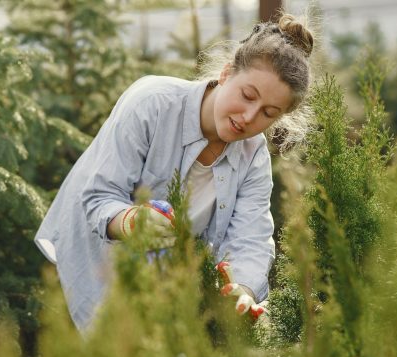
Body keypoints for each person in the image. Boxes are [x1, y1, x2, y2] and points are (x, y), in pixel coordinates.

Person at [35, 13, 314, 332]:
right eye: (247, 96)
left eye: (268, 113)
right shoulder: (152, 103)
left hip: (161, 294)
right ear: (226, 74)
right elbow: (99, 196)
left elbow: (250, 238)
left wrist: (244, 289)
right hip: (93, 269)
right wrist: (132, 221)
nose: (249, 117)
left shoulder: (253, 155)